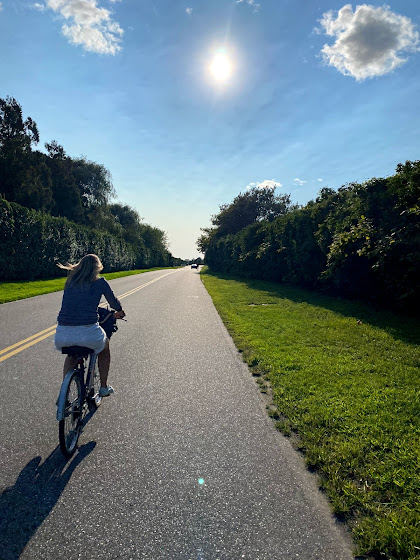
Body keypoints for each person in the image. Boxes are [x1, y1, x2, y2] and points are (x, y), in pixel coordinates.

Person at [54, 254, 126, 397]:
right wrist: (120, 311)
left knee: (71, 356)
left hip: (62, 334)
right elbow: (113, 303)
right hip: (88, 332)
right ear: (97, 268)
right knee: (104, 349)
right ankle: (104, 387)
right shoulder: (100, 283)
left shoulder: (70, 281)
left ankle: (64, 393)